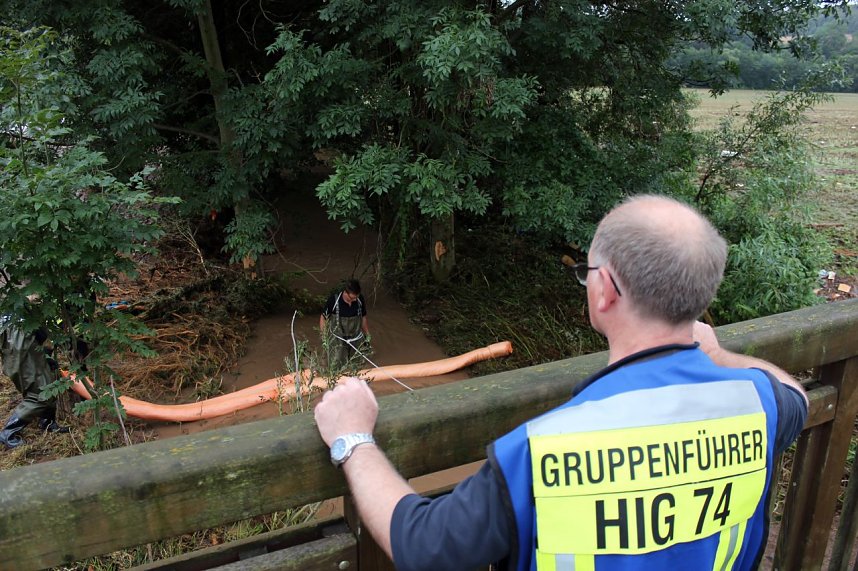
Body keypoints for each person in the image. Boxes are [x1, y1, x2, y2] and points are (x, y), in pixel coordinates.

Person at [313, 195, 808, 571]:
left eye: (589, 272)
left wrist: (352, 437)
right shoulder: (760, 406)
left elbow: (420, 542)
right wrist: (718, 354)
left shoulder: (540, 451)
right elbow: (795, 393)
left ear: (604, 292)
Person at [0, 311, 70, 450]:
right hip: (18, 331)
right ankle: (8, 432)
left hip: (21, 327)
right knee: (40, 394)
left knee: (49, 383)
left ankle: (47, 422)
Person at [319, 279, 370, 370]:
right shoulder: (333, 300)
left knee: (357, 364)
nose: (354, 300)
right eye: (352, 298)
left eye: (356, 297)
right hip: (337, 338)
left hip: (355, 336)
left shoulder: (359, 299)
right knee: (335, 364)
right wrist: (324, 337)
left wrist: (367, 334)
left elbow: (363, 317)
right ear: (345, 293)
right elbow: (323, 318)